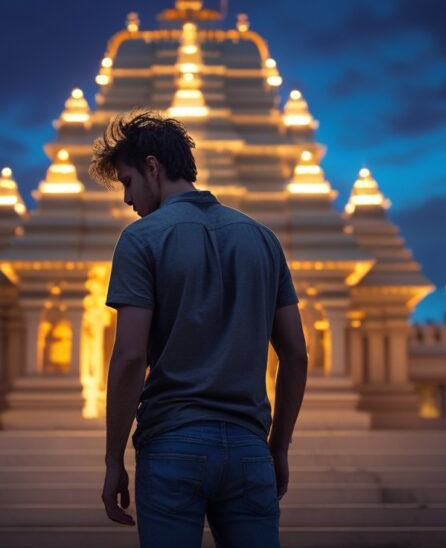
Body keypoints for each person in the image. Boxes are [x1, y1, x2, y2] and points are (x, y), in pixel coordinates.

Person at [92, 110, 308, 548]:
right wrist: (279, 446)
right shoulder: (263, 239)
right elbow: (297, 355)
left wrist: (114, 458)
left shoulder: (142, 239)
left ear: (153, 167)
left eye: (129, 182)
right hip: (250, 445)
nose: (128, 199)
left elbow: (131, 356)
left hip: (173, 441)